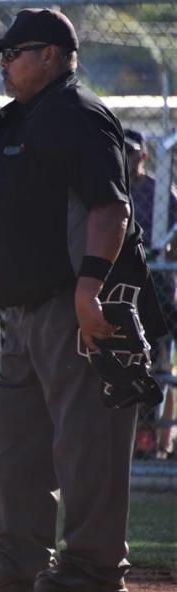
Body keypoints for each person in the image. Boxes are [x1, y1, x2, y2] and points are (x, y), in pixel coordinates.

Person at [0, 9, 165, 592]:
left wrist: (89, 289)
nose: (3, 63)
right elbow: (11, 220)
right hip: (19, 306)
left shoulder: (81, 115)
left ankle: (95, 568)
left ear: (49, 55)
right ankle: (17, 556)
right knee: (13, 441)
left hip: (72, 305)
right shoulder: (10, 121)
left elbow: (111, 208)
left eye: (14, 53)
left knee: (86, 439)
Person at [124, 128, 177, 459]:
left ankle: (162, 442)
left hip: (158, 293)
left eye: (130, 152)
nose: (125, 158)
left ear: (142, 155)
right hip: (123, 293)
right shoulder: (111, 191)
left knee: (161, 369)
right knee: (129, 368)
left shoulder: (161, 194)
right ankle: (133, 442)